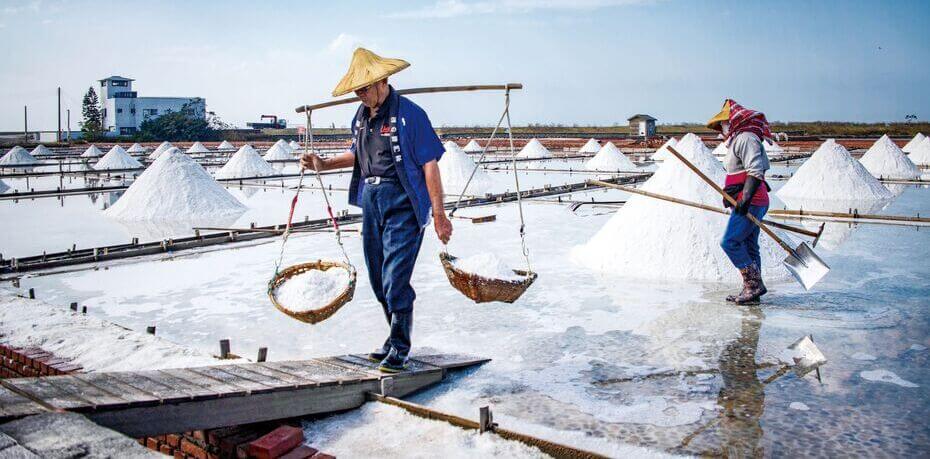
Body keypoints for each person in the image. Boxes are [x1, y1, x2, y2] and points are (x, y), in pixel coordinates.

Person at [300, 48, 453, 373]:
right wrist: (323, 164)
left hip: (403, 202)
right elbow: (356, 154)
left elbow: (429, 165)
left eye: (365, 87)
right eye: (356, 89)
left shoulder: (412, 115)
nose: (360, 93)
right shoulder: (360, 118)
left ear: (382, 81)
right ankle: (393, 337)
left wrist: (439, 213)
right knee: (377, 278)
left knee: (395, 278)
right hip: (371, 200)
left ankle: (400, 346)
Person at [707, 99, 772, 304]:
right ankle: (752, 291)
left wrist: (745, 198)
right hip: (751, 198)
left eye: (724, 123)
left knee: (730, 242)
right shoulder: (739, 140)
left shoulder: (746, 138)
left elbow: (755, 170)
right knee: (749, 245)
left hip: (753, 200)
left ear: (734, 121)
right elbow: (742, 172)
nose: (722, 128)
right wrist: (733, 192)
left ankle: (753, 284)